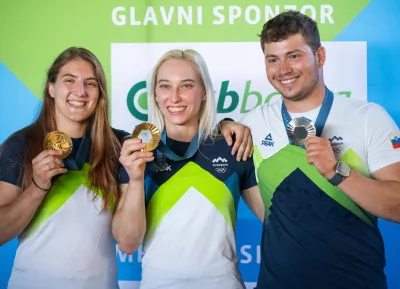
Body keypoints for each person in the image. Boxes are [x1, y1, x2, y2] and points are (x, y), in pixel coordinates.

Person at [221, 10, 400, 289]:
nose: (283, 70)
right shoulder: (252, 123)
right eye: (273, 59)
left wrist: (338, 172)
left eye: (294, 55)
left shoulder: (368, 118)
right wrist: (225, 123)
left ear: (320, 57)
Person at [112, 49, 264, 289]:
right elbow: (128, 244)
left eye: (186, 86)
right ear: (154, 94)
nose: (174, 97)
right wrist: (136, 178)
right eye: (165, 86)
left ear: (204, 92)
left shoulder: (232, 146)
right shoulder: (135, 153)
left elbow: (276, 221)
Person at [0, 47, 126, 289]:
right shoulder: (22, 145)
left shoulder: (118, 146)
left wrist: (223, 127)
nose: (80, 91)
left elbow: (174, 146)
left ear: (100, 93)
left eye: (90, 83)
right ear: (51, 88)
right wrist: (37, 187)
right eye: (70, 80)